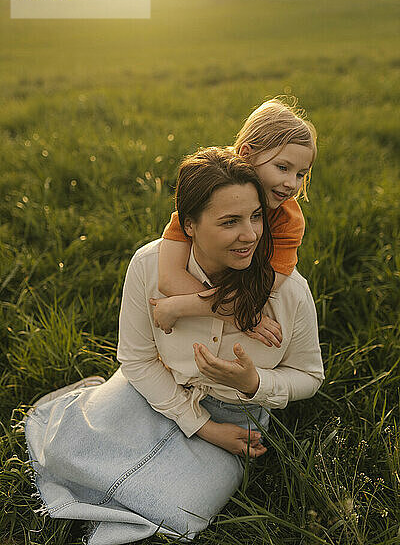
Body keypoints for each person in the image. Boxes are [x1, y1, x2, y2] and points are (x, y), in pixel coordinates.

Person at [25, 148, 324, 545]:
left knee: (180, 509)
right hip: (149, 389)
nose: (250, 234)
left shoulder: (289, 292)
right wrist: (202, 427)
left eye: (255, 217)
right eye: (230, 221)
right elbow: (136, 358)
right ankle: (83, 407)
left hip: (236, 419)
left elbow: (309, 375)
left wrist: (256, 384)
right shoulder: (149, 265)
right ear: (190, 225)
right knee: (67, 451)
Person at [153, 97, 317, 349]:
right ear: (246, 154)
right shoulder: (208, 194)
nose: (292, 183)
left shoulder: (288, 221)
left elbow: (255, 296)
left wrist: (178, 306)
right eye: (282, 167)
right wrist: (238, 315)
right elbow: (168, 278)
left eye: (300, 174)